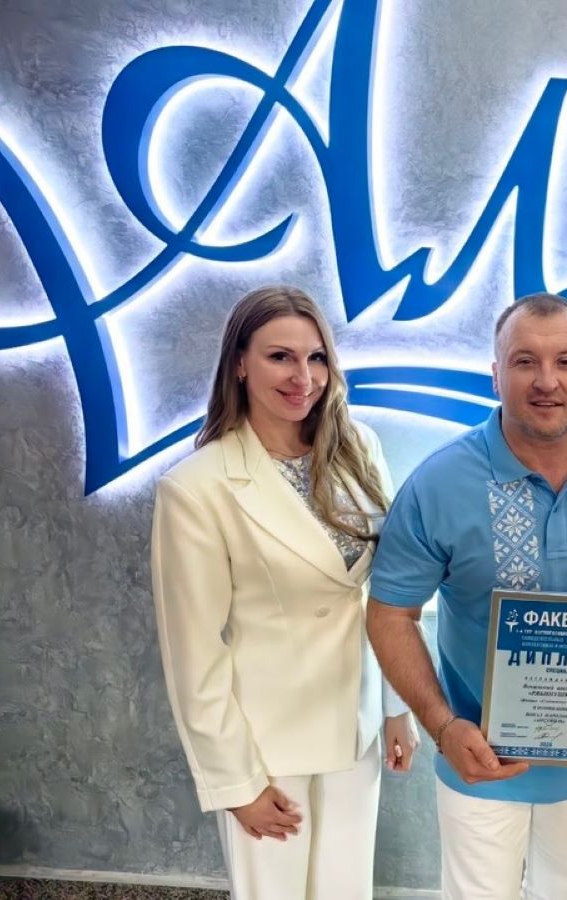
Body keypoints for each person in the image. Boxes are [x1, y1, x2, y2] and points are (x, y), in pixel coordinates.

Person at [366, 292, 567, 900]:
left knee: (565, 889)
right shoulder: (438, 482)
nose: (546, 381)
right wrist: (442, 725)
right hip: (479, 758)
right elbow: (389, 613)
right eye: (524, 361)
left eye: (565, 361)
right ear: (495, 374)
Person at [150, 286, 417, 900]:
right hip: (267, 747)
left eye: (316, 357)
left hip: (355, 729)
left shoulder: (358, 448)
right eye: (280, 357)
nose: (304, 377)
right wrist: (235, 782)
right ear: (240, 363)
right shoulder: (197, 487)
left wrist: (395, 706)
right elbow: (193, 652)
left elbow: (385, 591)